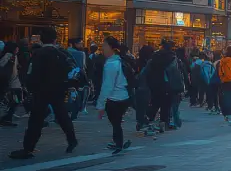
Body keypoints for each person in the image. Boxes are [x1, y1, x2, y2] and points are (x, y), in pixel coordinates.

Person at [9, 28, 79, 159]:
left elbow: (31, 73)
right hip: (58, 90)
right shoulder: (61, 54)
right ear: (55, 40)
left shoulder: (39, 54)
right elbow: (70, 71)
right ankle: (72, 140)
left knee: (36, 120)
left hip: (41, 91)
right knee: (63, 116)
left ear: (41, 40)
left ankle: (28, 148)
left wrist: (30, 87)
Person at [95, 37, 134, 155]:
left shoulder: (111, 64)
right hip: (124, 96)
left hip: (114, 98)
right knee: (116, 122)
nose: (102, 48)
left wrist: (100, 105)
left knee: (116, 123)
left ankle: (118, 144)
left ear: (111, 48)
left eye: (104, 45)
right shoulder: (119, 61)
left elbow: (107, 86)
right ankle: (117, 142)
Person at [145, 39, 185, 132]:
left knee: (155, 103)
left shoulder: (155, 56)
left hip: (155, 84)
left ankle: (149, 120)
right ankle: (163, 123)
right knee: (166, 105)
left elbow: (148, 71)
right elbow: (177, 73)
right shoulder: (173, 58)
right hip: (168, 84)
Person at [0, 42, 22, 127]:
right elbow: (9, 71)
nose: (18, 49)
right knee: (15, 100)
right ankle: (7, 118)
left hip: (11, 82)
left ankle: (7, 118)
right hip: (12, 83)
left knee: (14, 101)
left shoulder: (6, 55)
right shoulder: (11, 56)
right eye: (17, 48)